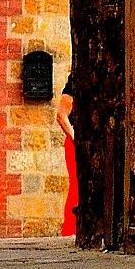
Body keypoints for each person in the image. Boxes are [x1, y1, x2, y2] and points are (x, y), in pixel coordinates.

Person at [56, 73, 78, 238]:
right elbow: (61, 115)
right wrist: (75, 137)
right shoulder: (73, 84)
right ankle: (70, 229)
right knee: (76, 185)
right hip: (74, 143)